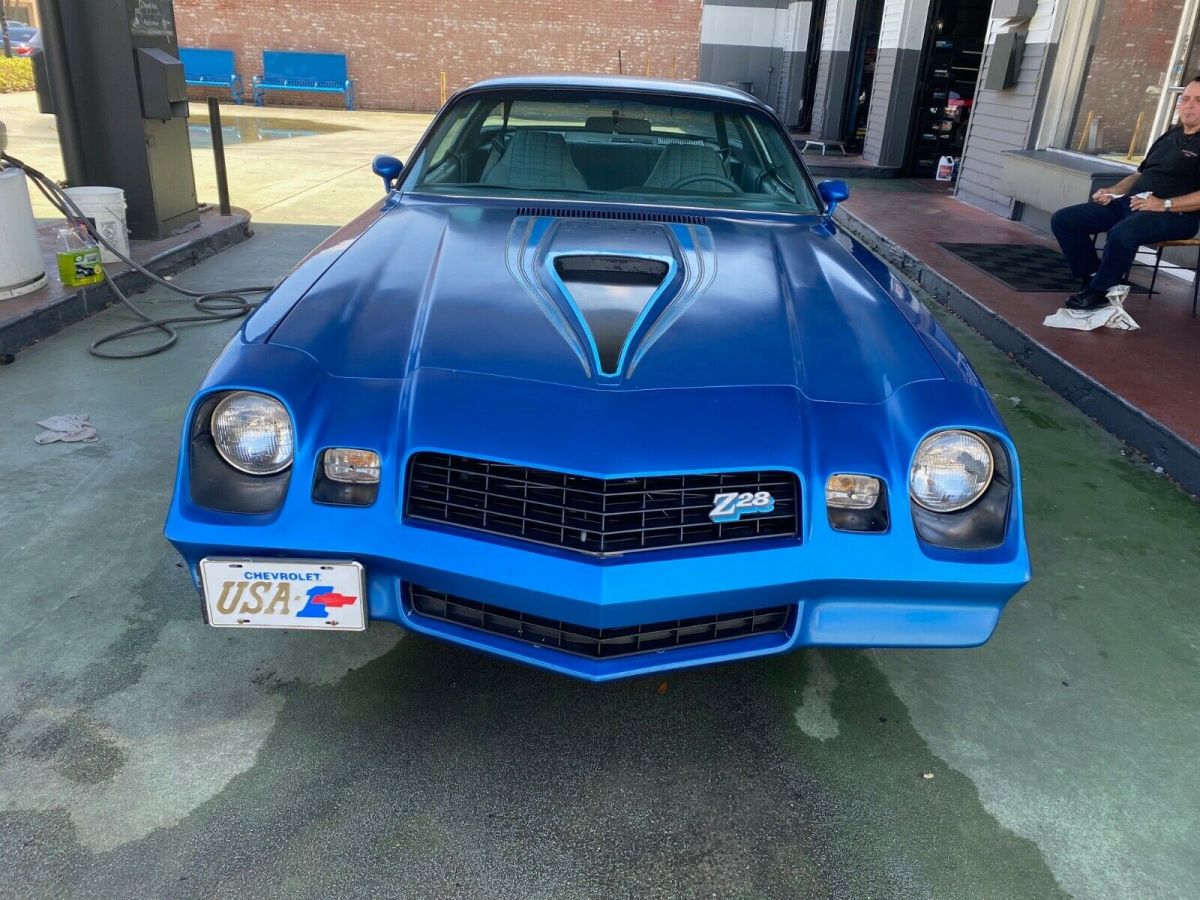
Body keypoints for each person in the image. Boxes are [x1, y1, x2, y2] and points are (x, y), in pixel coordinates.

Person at [1050, 77, 1200, 311]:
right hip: (1133, 204)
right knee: (1065, 220)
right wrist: (1113, 191)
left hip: (1175, 215)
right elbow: (1140, 174)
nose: (1189, 105)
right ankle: (1094, 276)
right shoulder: (1169, 136)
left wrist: (1163, 204)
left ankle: (1099, 292)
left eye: (1198, 100)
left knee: (1123, 233)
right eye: (1186, 99)